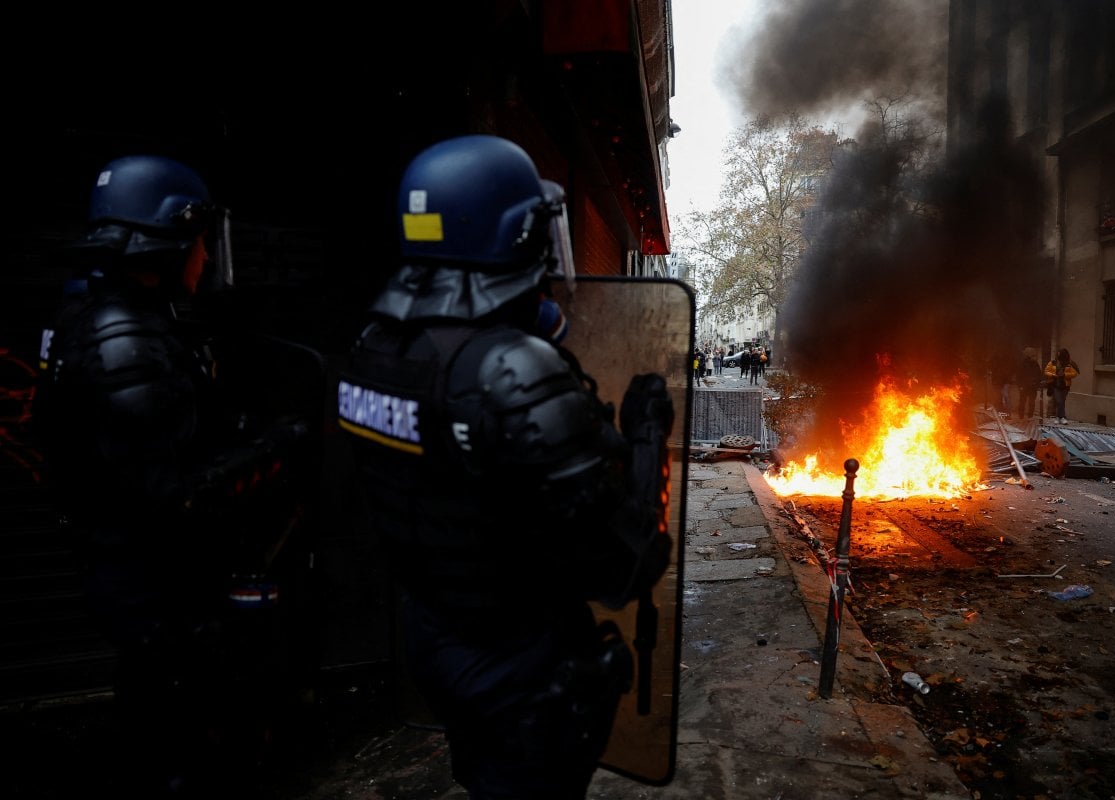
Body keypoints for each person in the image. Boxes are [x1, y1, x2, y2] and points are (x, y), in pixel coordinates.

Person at [337, 134, 674, 800]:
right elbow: (625, 569)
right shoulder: (510, 373)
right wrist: (643, 438)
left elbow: (456, 492)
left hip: (438, 642)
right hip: (519, 668)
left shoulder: (377, 349)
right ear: (516, 236)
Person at [33, 155, 320, 796]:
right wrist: (277, 446)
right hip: (155, 587)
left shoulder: (96, 315)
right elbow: (176, 497)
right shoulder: (125, 340)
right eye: (197, 243)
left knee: (159, 712)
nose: (206, 259)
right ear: (167, 242)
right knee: (184, 743)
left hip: (131, 574)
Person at [1044, 347, 1079, 423]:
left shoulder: (1069, 364)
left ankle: (1060, 417)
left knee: (1062, 401)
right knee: (1059, 401)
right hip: (1055, 384)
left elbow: (1074, 373)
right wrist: (1053, 375)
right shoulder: (1053, 362)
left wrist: (1065, 375)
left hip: (1065, 385)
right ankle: (1061, 417)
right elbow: (1046, 371)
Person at [1016, 347, 1042, 419]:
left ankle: (1027, 416)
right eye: (1033, 355)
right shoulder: (1023, 364)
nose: (1035, 357)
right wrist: (1020, 385)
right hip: (1026, 386)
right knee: (1024, 402)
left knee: (1029, 402)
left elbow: (1038, 375)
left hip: (1030, 386)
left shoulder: (1034, 364)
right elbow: (1019, 375)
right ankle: (1022, 416)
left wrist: (1036, 383)